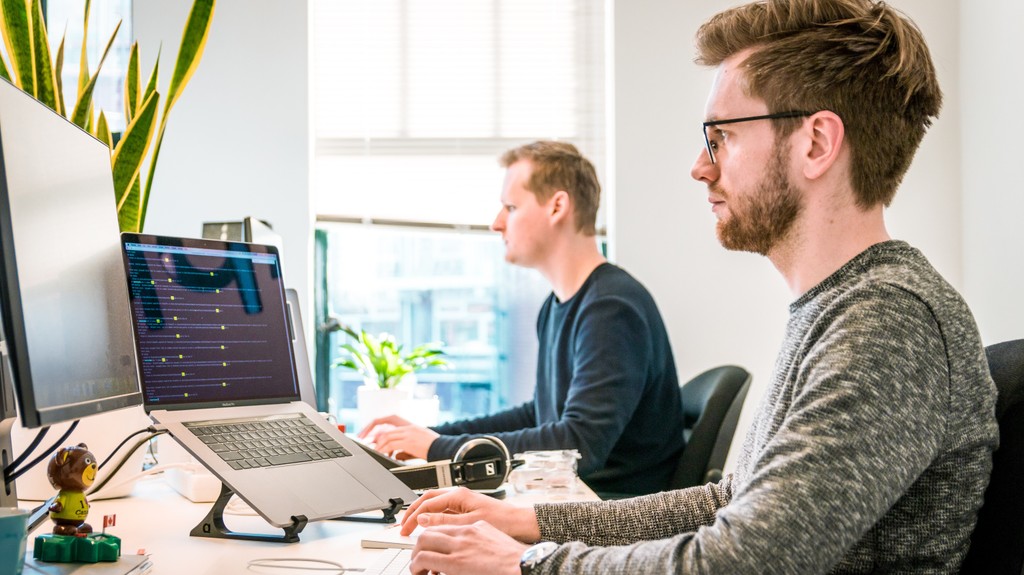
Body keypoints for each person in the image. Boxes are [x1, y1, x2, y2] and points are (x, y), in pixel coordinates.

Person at [396, 1, 1000, 573]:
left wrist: (526, 563)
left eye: (722, 137)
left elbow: (747, 560)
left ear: (815, 144)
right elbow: (731, 502)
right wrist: (527, 520)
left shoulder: (889, 321)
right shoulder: (841, 308)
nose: (700, 166)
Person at [359, 141, 686, 496]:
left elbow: (579, 445)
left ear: (557, 206)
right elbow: (540, 415)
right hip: (575, 499)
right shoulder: (559, 305)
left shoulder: (611, 309)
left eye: (511, 207)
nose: (496, 224)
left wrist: (438, 449)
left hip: (610, 512)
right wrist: (435, 436)